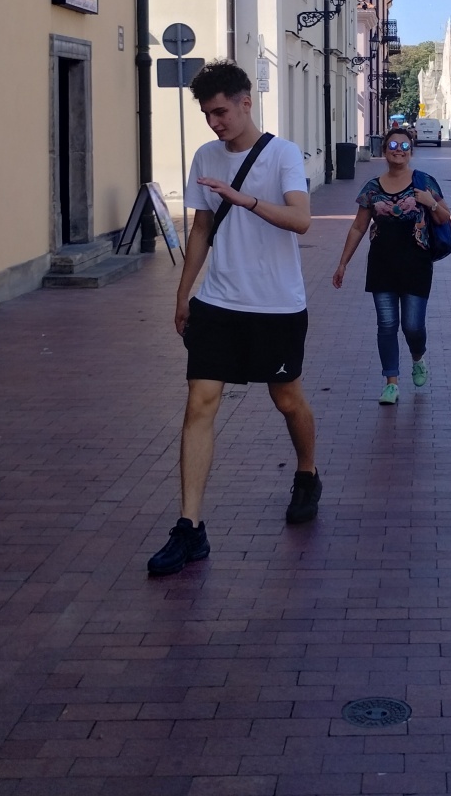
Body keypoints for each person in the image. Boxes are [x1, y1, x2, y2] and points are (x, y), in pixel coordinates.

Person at [148, 61, 319, 578]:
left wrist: (244, 199)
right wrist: (184, 294)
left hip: (276, 305)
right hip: (219, 303)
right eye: (207, 114)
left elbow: (301, 220)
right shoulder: (205, 156)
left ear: (246, 102)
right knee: (199, 403)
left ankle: (307, 473)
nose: (214, 122)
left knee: (286, 399)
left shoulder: (282, 154)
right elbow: (201, 229)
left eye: (221, 111)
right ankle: (189, 527)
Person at [332, 125, 451, 404]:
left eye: (404, 146)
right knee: (386, 325)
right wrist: (343, 263)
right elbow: (358, 227)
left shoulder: (425, 182)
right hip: (382, 264)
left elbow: (445, 217)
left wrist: (431, 203)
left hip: (417, 264)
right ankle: (391, 382)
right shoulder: (372, 188)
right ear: (385, 151)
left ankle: (418, 357)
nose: (399, 151)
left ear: (411, 151)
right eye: (393, 146)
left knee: (412, 326)